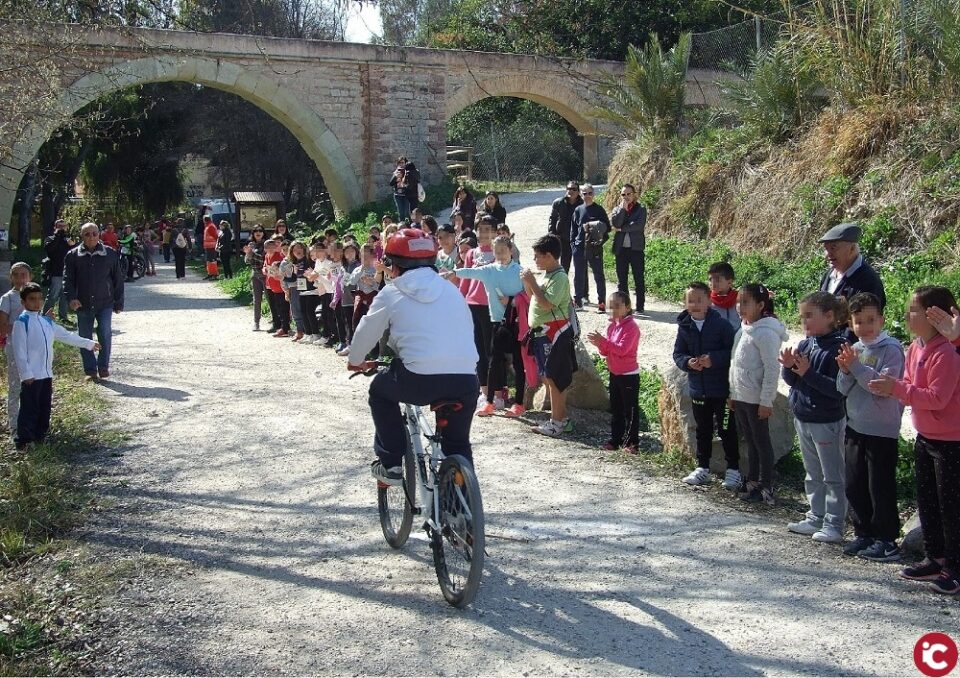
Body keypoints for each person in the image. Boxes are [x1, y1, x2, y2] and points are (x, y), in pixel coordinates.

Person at [347, 228, 479, 486]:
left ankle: (391, 464)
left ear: (393, 266)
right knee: (457, 442)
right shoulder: (451, 290)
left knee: (380, 392)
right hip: (465, 379)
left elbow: (366, 330)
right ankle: (463, 514)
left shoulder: (391, 292)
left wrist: (356, 358)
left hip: (419, 379)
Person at [868, 286, 960, 596]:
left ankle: (955, 569)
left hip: (951, 442)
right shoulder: (915, 347)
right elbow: (908, 385)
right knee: (928, 503)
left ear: (936, 316)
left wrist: (897, 390)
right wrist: (893, 387)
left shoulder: (947, 352)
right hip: (925, 437)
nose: (908, 315)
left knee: (952, 508)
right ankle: (935, 558)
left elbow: (937, 398)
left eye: (914, 310)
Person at [835, 292, 905, 561]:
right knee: (855, 483)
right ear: (851, 323)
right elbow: (842, 389)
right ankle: (863, 533)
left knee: (880, 487)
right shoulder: (855, 350)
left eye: (870, 320)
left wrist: (855, 367)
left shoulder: (892, 349)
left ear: (882, 320)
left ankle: (886, 539)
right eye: (858, 321)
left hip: (881, 430)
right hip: (855, 425)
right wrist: (844, 370)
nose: (864, 327)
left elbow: (880, 389)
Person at [779, 291, 849, 544]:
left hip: (826, 421)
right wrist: (788, 367)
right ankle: (815, 516)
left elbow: (837, 390)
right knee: (812, 472)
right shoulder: (807, 344)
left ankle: (834, 523)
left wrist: (807, 372)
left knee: (833, 475)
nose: (804, 322)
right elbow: (792, 381)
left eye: (810, 316)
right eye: (802, 317)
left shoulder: (839, 348)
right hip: (804, 417)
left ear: (830, 316)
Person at [11, 283, 100, 449]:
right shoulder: (21, 322)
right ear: (23, 302)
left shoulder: (46, 322)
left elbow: (66, 336)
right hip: (32, 375)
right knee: (30, 407)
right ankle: (24, 441)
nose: (36, 303)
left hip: (46, 373)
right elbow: (20, 351)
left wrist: (88, 343)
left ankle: (40, 436)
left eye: (39, 299)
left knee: (44, 407)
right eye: (31, 299)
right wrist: (26, 373)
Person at [447, 234, 524, 416]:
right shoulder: (489, 269)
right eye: (497, 251)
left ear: (510, 250)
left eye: (503, 251)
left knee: (518, 362)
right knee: (494, 361)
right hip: (497, 321)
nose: (500, 254)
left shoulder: (520, 271)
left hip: (517, 322)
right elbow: (470, 272)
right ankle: (489, 402)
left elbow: (529, 295)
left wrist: (511, 299)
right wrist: (454, 273)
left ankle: (519, 403)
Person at [674, 282, 740, 489]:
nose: (694, 304)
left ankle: (734, 470)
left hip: (722, 389)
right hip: (698, 388)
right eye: (690, 301)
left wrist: (713, 359)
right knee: (702, 429)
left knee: (727, 428)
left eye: (699, 300)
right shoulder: (685, 326)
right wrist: (688, 363)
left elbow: (733, 352)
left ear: (709, 301)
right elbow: (678, 353)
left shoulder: (721, 325)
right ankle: (702, 468)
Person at [729, 284, 788, 506]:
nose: (739, 307)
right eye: (738, 302)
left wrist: (766, 401)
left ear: (761, 305)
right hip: (742, 397)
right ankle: (753, 481)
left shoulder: (766, 333)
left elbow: (772, 369)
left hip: (756, 400)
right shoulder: (743, 329)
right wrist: (732, 392)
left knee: (762, 444)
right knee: (751, 442)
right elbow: (735, 363)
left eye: (745, 302)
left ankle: (766, 486)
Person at [523, 234, 577, 437]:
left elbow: (547, 303)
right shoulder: (545, 275)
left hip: (554, 334)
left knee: (555, 378)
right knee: (548, 377)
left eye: (538, 256)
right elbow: (535, 300)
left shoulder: (560, 277)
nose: (535, 260)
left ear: (549, 256)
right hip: (541, 333)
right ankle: (561, 419)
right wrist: (529, 284)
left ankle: (557, 422)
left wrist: (532, 282)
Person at [62, 222, 124, 381]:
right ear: (81, 236)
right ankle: (90, 370)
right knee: (84, 337)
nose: (91, 237)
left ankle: (103, 367)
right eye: (87, 234)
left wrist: (118, 302)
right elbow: (68, 280)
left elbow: (117, 279)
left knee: (104, 332)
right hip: (82, 304)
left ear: (99, 235)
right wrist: (71, 298)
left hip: (105, 302)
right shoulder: (73, 255)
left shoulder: (109, 254)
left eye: (94, 233)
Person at [588, 291, 641, 453]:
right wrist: (599, 344)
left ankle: (632, 443)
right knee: (616, 409)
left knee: (630, 411)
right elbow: (606, 352)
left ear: (627, 307)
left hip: (629, 375)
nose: (614, 309)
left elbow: (623, 350)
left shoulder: (631, 327)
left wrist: (603, 342)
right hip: (614, 373)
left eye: (618, 306)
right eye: (611, 306)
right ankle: (616, 440)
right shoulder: (612, 325)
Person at [818, 223, 886, 340]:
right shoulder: (829, 275)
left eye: (833, 248)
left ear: (852, 249)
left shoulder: (867, 280)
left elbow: (863, 325)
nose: (828, 254)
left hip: (849, 352)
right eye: (826, 248)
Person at [458, 218, 497, 408]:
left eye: (488, 230)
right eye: (480, 230)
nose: (483, 234)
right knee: (478, 350)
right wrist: (459, 303)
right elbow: (465, 281)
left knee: (494, 350)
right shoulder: (471, 254)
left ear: (495, 232)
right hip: (472, 305)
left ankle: (497, 391)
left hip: (493, 306)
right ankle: (483, 390)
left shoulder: (500, 253)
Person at [0, 263, 33, 433]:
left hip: (34, 347)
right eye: (17, 275)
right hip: (15, 346)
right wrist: (22, 326)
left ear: (30, 277)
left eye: (24, 275)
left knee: (34, 385)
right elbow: (2, 326)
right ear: (11, 277)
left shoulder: (34, 295)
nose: (21, 279)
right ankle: (14, 424)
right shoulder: (7, 298)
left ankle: (32, 422)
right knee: (15, 386)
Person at [610, 183, 647, 316]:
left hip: (636, 249)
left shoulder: (641, 209)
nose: (626, 196)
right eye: (623, 194)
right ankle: (625, 308)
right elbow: (616, 224)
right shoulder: (617, 209)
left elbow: (638, 225)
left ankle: (640, 306)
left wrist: (622, 228)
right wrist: (622, 210)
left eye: (629, 194)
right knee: (622, 280)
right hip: (621, 250)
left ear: (634, 194)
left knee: (638, 278)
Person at [571, 182, 609, 311]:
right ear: (580, 195)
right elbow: (573, 230)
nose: (587, 195)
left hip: (594, 248)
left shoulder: (599, 210)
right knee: (579, 275)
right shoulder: (578, 210)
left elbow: (607, 228)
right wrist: (573, 245)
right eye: (584, 193)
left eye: (590, 193)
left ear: (594, 194)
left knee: (598, 275)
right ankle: (578, 301)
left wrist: (599, 240)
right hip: (579, 248)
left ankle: (601, 302)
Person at [42, 219, 75, 323]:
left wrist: (72, 244)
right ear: (55, 227)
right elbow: (50, 250)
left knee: (65, 297)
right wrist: (57, 236)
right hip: (56, 272)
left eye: (63, 226)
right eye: (59, 226)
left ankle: (63, 317)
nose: (61, 228)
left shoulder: (68, 240)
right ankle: (45, 316)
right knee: (52, 295)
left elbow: (75, 252)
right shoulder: (50, 239)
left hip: (67, 272)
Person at [547, 181, 583, 273]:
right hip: (563, 238)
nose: (571, 191)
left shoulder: (583, 204)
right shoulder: (558, 203)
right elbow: (552, 219)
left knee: (580, 267)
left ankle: (581, 287)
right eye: (569, 189)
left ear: (578, 191)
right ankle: (562, 285)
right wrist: (552, 235)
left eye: (574, 189)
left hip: (577, 240)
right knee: (563, 266)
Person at [264, 236, 290, 337]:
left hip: (280, 285)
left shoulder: (279, 256)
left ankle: (285, 327)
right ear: (265, 249)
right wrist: (264, 270)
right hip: (271, 284)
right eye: (268, 247)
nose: (270, 249)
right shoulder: (267, 256)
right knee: (276, 307)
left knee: (283, 307)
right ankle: (279, 326)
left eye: (272, 247)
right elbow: (265, 265)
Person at [243, 225, 267, 330]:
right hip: (255, 275)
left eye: (260, 231)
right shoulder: (251, 244)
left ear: (263, 233)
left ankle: (277, 321)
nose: (258, 232)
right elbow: (247, 261)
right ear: (252, 233)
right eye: (255, 231)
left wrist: (251, 253)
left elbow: (263, 259)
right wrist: (248, 254)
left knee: (271, 298)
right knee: (257, 300)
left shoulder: (266, 244)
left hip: (266, 275)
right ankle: (256, 322)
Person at [708, 262, 740, 330]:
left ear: (729, 282)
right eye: (710, 279)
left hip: (737, 337)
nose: (713, 283)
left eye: (717, 280)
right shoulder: (707, 301)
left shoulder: (739, 299)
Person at [202, 215, 219, 280]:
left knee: (212, 260)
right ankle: (210, 273)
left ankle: (214, 273)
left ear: (205, 220)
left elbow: (215, 236)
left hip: (211, 246)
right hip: (209, 246)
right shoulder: (208, 226)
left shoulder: (210, 226)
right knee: (209, 260)